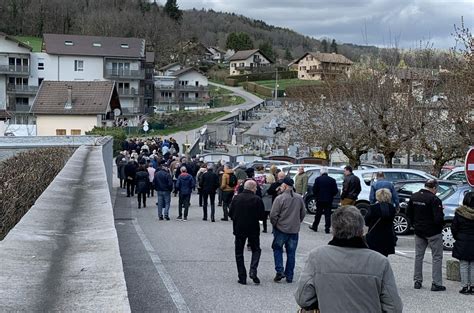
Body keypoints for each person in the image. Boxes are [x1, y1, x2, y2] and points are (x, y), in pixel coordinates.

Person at [295, 206, 403, 313]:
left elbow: (303, 299)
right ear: (361, 231)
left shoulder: (317, 257)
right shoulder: (380, 261)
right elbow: (393, 307)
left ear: (334, 230)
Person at [406, 179, 446, 291]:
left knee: (419, 256)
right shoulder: (434, 199)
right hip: (433, 232)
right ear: (434, 188)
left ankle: (417, 281)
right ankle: (436, 283)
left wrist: (415, 224)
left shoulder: (414, 197)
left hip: (419, 231)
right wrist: (441, 225)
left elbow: (408, 213)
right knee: (437, 257)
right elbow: (438, 218)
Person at [270, 177, 306, 283]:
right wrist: (297, 222)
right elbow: (303, 213)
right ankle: (289, 275)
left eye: (282, 185)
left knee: (277, 249)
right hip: (294, 230)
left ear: (285, 186)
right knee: (291, 253)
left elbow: (273, 215)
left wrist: (275, 224)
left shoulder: (280, 198)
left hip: (281, 228)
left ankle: (279, 271)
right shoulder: (299, 198)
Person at [229, 180, 265, 285]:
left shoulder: (236, 198)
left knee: (239, 253)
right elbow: (262, 216)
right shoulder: (257, 199)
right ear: (253, 188)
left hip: (239, 228)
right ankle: (253, 269)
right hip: (253, 228)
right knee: (256, 250)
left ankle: (242, 276)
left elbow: (231, 213)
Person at [451, 191, 474, 295]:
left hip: (462, 240)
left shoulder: (459, 213)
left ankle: (465, 287)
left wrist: (458, 237)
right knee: (473, 265)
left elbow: (454, 228)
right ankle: (473, 287)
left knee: (464, 264)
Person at [365, 188, 397, 257]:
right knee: (384, 258)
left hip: (374, 236)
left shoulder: (372, 208)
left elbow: (366, 222)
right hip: (387, 236)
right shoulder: (392, 208)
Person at [309, 167, 338, 234]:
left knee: (318, 214)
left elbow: (314, 189)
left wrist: (316, 196)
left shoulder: (318, 179)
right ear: (327, 172)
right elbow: (335, 191)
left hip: (319, 199)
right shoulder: (332, 180)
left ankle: (315, 226)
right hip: (328, 200)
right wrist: (331, 195)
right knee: (327, 214)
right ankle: (327, 228)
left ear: (321, 172)